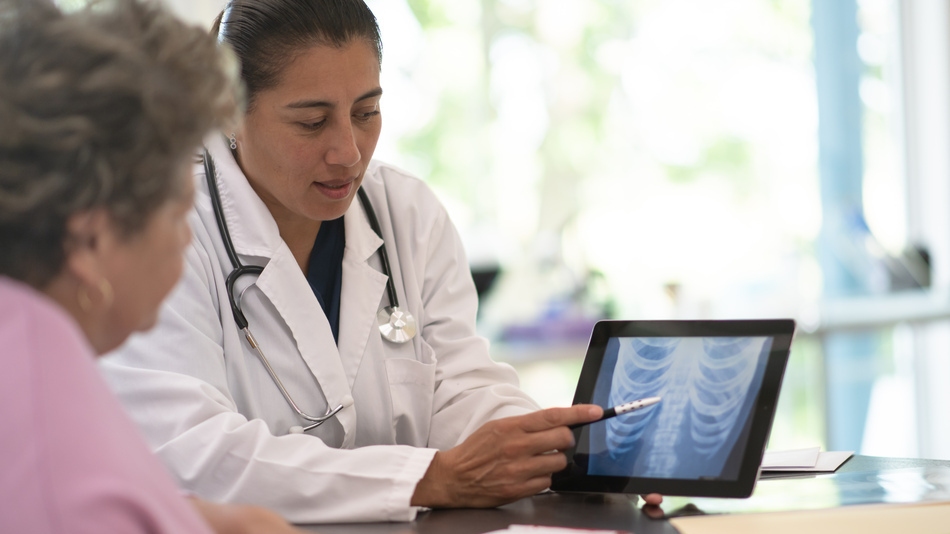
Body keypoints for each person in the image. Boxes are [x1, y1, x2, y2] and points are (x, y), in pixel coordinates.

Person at [101, 0, 661, 523]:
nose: (348, 151)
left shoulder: (405, 213)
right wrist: (428, 479)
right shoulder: (166, 223)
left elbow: (460, 388)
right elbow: (189, 455)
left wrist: (565, 459)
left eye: (366, 111)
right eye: (311, 122)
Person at [0, 0, 305, 532]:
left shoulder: (29, 353)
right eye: (178, 212)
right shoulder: (61, 468)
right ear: (92, 241)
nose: (187, 237)